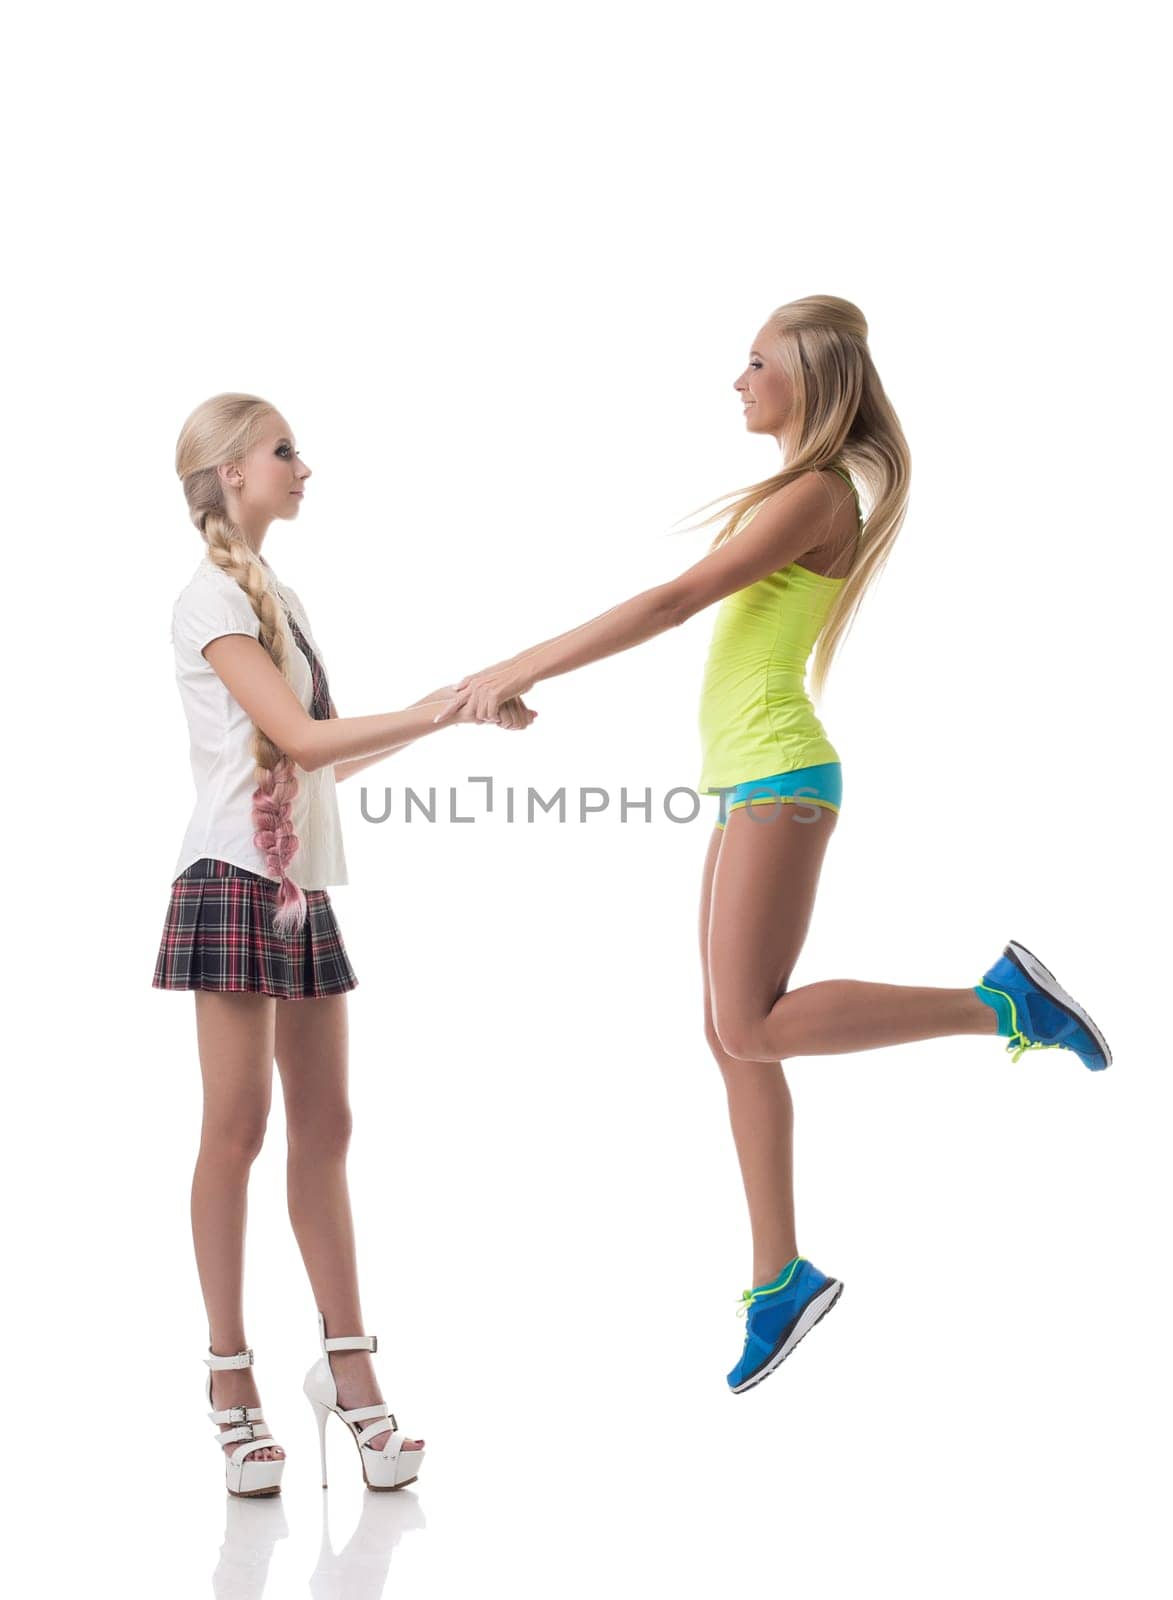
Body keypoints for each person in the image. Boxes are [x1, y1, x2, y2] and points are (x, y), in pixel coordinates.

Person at [434, 294, 1112, 1395]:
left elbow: (676, 599)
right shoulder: (804, 491)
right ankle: (779, 1275)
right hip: (749, 778)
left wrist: (519, 667)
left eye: (759, 362)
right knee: (730, 1032)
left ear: (813, 381)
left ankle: (1004, 1004)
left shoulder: (816, 492)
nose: (738, 379)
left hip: (782, 777)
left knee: (748, 1023)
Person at [153, 393, 534, 1494]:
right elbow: (305, 734)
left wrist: (444, 716)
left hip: (299, 879)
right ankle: (230, 1380)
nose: (303, 466)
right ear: (230, 473)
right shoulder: (206, 601)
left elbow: (314, 763)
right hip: (231, 877)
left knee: (329, 1126)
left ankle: (349, 1373)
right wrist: (442, 708)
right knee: (239, 1129)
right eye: (284, 451)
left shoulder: (284, 597)